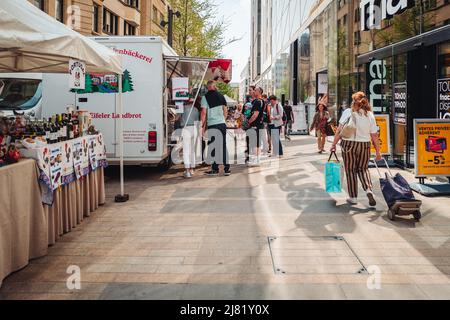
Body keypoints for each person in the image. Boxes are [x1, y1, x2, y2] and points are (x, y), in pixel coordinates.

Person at [330, 91, 382, 207]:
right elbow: (374, 135)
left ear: (354, 101)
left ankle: (353, 197)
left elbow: (339, 130)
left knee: (351, 170)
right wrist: (378, 151)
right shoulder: (370, 115)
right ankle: (368, 190)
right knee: (363, 169)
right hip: (364, 145)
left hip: (349, 145)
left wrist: (333, 144)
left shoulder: (348, 112)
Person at [201, 80, 231, 176]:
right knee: (223, 145)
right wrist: (223, 119)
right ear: (214, 86)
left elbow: (203, 113)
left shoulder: (205, 97)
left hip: (212, 124)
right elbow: (225, 110)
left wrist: (202, 125)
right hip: (222, 124)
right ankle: (227, 169)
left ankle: (215, 169)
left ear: (208, 87)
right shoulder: (221, 96)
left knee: (213, 146)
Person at [180, 95, 201, 178]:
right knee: (192, 150)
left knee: (186, 150)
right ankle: (192, 169)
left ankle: (187, 171)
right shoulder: (196, 109)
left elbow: (177, 117)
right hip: (194, 129)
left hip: (186, 129)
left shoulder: (183, 108)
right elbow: (197, 121)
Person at [247, 87, 265, 166]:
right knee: (256, 143)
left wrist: (248, 122)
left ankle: (256, 160)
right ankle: (257, 159)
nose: (254, 91)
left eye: (256, 90)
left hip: (256, 125)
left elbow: (255, 115)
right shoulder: (260, 101)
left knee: (255, 143)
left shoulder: (258, 102)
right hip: (257, 125)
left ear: (259, 92)